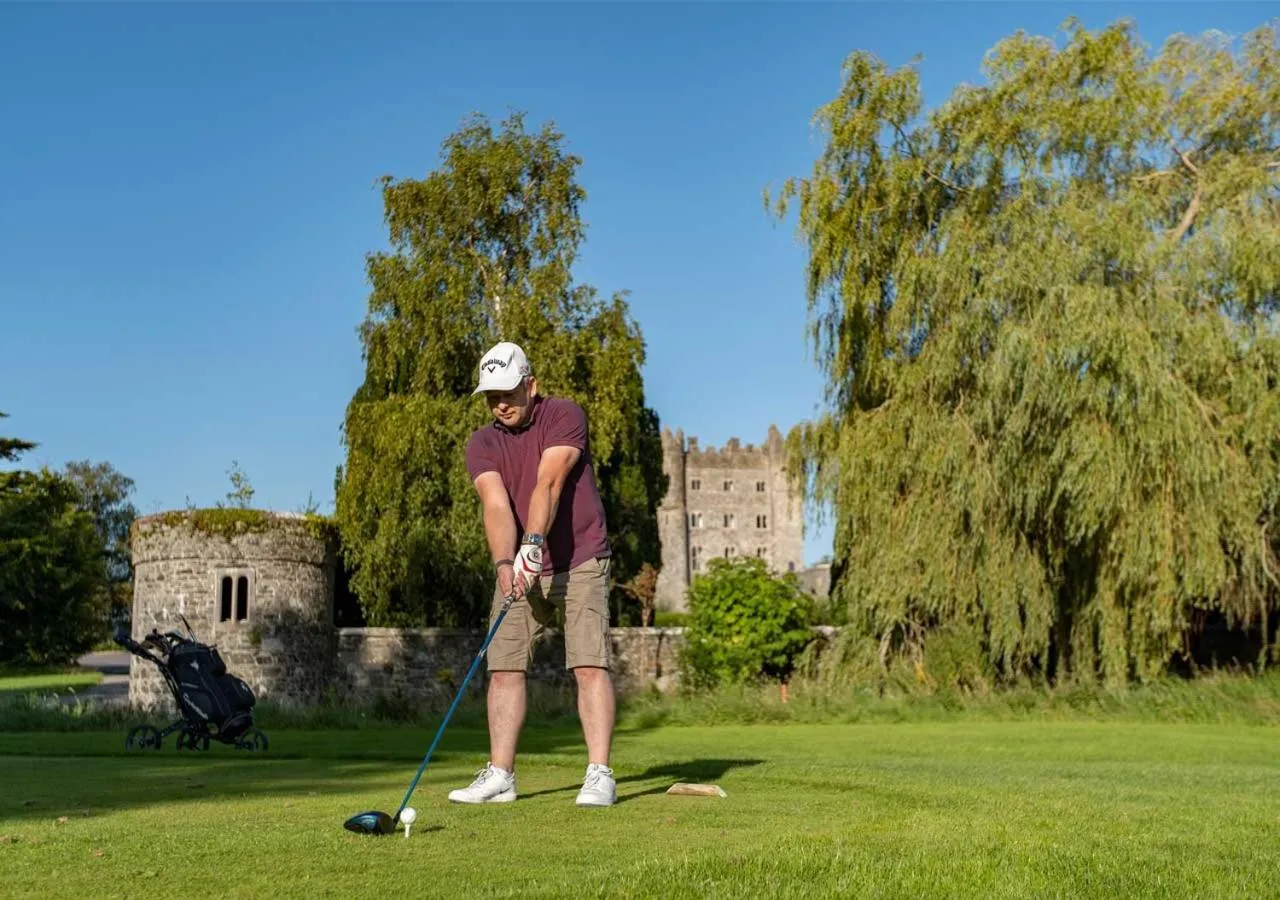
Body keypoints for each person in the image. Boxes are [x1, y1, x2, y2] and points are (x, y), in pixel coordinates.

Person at [448, 340, 617, 807]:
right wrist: (505, 563)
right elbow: (496, 506)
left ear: (531, 385)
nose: (500, 404)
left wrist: (533, 543)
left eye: (508, 392)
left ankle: (599, 774)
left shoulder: (564, 415)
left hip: (580, 558)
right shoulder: (483, 443)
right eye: (492, 396)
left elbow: (550, 481)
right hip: (521, 565)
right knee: (504, 667)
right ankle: (501, 776)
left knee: (588, 663)